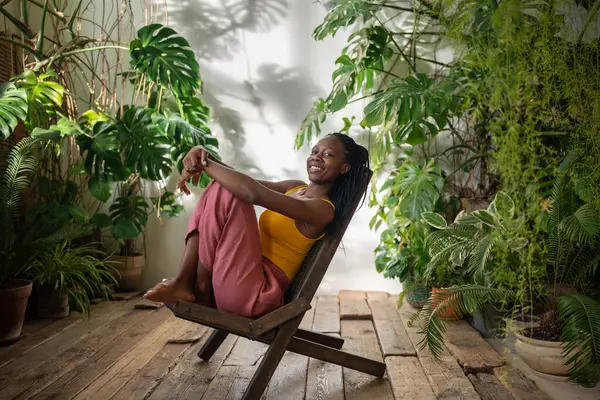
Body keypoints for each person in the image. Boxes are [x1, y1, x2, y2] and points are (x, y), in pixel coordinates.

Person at [143, 133, 369, 317]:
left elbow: (251, 192)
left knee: (225, 186)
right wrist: (201, 154)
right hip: (239, 275)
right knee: (223, 185)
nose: (316, 157)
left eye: (328, 155)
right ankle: (187, 282)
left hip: (255, 294)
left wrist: (205, 163)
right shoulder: (294, 187)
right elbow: (240, 180)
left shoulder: (322, 209)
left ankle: (191, 284)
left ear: (344, 168)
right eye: (314, 152)